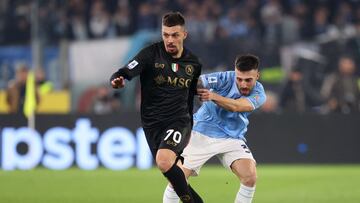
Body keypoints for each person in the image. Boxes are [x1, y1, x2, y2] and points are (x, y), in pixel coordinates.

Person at [110, 12, 203, 203]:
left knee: (163, 161)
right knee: (171, 172)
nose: (169, 39)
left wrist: (191, 127)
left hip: (179, 121)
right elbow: (124, 72)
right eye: (165, 34)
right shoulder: (150, 54)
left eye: (175, 35)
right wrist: (117, 81)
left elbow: (190, 97)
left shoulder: (193, 63)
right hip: (152, 124)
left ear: (184, 35)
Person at [163, 54, 266, 203]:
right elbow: (199, 82)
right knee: (177, 179)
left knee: (250, 177)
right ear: (235, 73)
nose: (243, 84)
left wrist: (213, 96)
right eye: (239, 79)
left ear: (257, 75)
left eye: (248, 80)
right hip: (202, 132)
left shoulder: (259, 93)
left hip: (232, 137)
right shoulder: (225, 78)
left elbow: (237, 107)